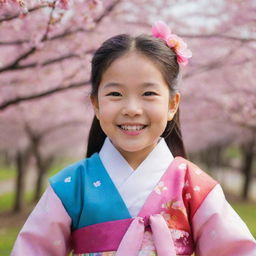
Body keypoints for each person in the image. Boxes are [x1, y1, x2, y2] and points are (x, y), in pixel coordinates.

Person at [11, 21, 256, 256]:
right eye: (115, 93)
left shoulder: (194, 186)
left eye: (148, 93)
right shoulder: (71, 186)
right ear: (96, 104)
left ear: (172, 104)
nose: (131, 109)